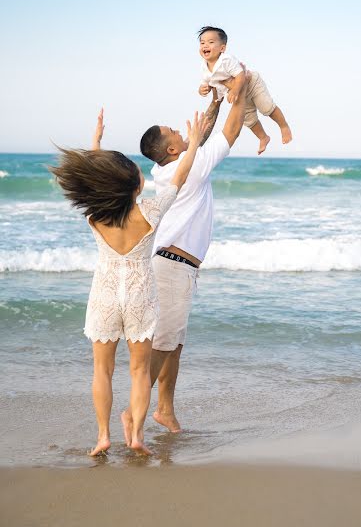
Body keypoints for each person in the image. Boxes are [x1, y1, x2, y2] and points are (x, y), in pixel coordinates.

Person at [49, 108, 209, 456]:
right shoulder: (150, 212)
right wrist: (194, 144)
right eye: (139, 173)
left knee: (102, 371)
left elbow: (96, 181)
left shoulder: (96, 215)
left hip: (105, 297)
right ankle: (136, 436)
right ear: (136, 185)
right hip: (139, 299)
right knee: (139, 371)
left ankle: (104, 436)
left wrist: (96, 145)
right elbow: (180, 176)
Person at [121, 75, 249, 441]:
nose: (181, 130)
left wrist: (216, 100)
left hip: (172, 265)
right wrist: (237, 91)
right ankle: (135, 410)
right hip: (173, 268)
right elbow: (230, 132)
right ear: (173, 150)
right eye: (175, 131)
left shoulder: (166, 169)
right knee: (164, 344)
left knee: (173, 344)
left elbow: (201, 137)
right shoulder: (189, 168)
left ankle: (165, 410)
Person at [198, 25, 292, 155]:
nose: (205, 45)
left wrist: (235, 90)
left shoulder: (226, 60)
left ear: (222, 48)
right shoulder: (204, 66)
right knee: (248, 119)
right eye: (202, 43)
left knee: (266, 108)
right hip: (238, 95)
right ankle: (263, 137)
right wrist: (203, 89)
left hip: (251, 84)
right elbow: (206, 82)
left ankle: (283, 126)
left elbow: (240, 75)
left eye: (210, 42)